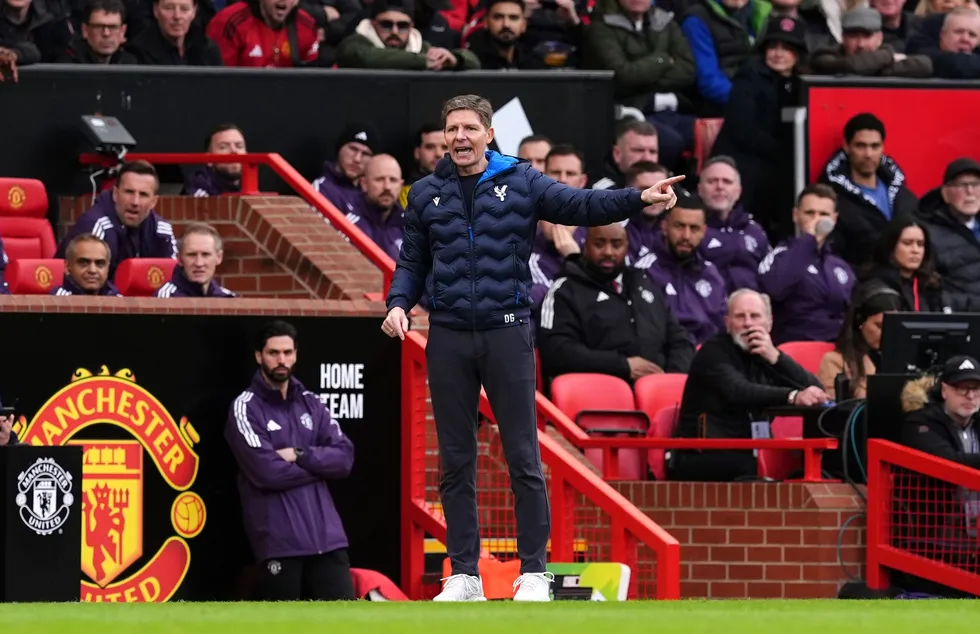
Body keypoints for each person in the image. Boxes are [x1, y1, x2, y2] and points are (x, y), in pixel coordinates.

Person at [381, 94, 683, 602]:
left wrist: (640, 197)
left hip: (507, 331)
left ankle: (535, 573)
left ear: (488, 134)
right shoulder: (425, 193)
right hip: (449, 335)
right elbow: (412, 262)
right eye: (452, 128)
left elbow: (582, 205)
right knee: (455, 459)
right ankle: (463, 575)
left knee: (523, 454)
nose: (460, 137)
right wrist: (396, 303)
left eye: (469, 129)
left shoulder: (521, 180)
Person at [225, 320, 356, 601]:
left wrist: (300, 455)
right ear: (259, 356)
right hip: (279, 542)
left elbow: (345, 459)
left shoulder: (311, 402)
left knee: (346, 622)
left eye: (287, 352)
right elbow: (266, 472)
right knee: (282, 626)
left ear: (296, 354)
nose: (281, 360)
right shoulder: (245, 407)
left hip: (328, 539)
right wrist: (321, 468)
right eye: (273, 353)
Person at [669, 289, 830, 482]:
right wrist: (793, 396)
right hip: (703, 454)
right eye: (740, 317)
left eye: (755, 316)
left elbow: (816, 390)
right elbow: (739, 391)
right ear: (728, 323)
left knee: (809, 463)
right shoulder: (712, 353)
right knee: (757, 467)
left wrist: (776, 357)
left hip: (748, 451)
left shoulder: (765, 354)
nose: (748, 323)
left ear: (769, 323)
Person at [818, 281, 903, 399]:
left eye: (892, 326)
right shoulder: (834, 361)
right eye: (879, 326)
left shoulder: (901, 361)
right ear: (859, 322)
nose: (886, 332)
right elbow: (833, 409)